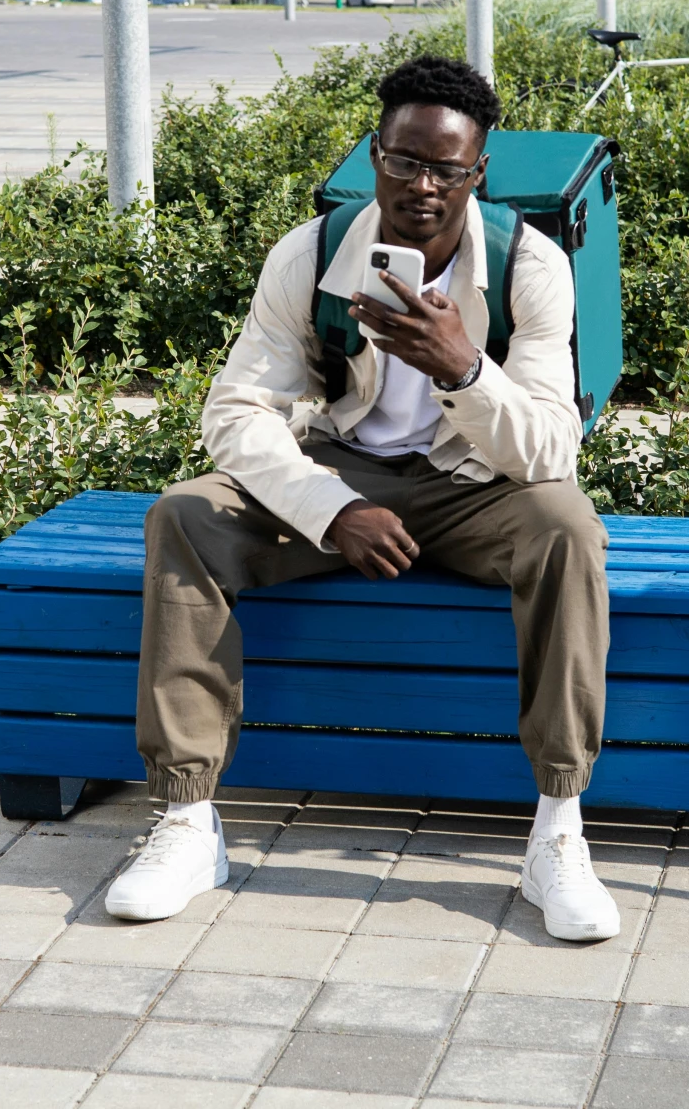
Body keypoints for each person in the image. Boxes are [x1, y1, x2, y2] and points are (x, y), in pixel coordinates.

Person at [103, 56, 619, 941]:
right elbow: (236, 411)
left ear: (478, 173)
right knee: (183, 516)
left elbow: (548, 450)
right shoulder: (309, 255)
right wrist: (328, 508)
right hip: (342, 473)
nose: (422, 185)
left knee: (569, 528)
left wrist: (460, 365)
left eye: (447, 168)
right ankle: (189, 822)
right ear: (374, 154)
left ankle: (557, 829)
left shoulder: (531, 265)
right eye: (403, 160)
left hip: (475, 485)